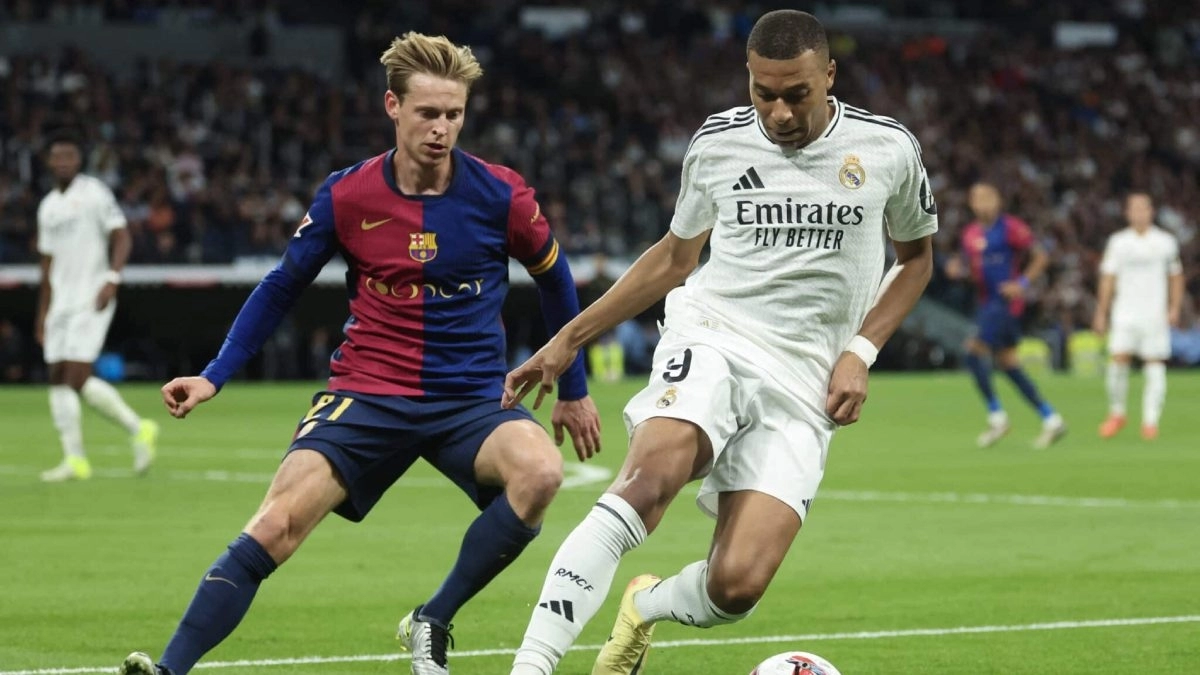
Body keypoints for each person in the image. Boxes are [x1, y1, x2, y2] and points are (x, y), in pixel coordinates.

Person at [119, 32, 601, 675]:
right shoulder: (348, 195)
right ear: (392, 107)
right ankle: (168, 669)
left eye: (454, 114)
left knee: (541, 473)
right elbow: (281, 286)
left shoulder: (501, 194)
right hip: (368, 391)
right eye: (427, 113)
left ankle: (432, 618)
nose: (441, 128)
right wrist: (215, 375)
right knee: (276, 525)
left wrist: (574, 389)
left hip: (471, 399)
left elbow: (557, 280)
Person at [503, 11, 937, 674]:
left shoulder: (887, 148)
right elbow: (675, 257)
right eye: (765, 93)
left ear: (829, 76)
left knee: (736, 586)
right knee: (647, 482)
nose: (779, 113)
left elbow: (916, 260)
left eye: (797, 94)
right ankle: (530, 666)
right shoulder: (719, 142)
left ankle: (644, 606)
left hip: (806, 381)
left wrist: (862, 350)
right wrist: (570, 338)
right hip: (714, 335)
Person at [35, 132, 159, 482]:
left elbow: (122, 236)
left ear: (79, 160)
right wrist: (42, 312)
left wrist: (112, 278)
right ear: (49, 162)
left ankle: (138, 428)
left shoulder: (94, 193)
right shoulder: (48, 206)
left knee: (75, 374)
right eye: (57, 156)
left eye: (69, 156)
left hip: (91, 295)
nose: (63, 162)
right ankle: (75, 459)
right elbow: (46, 264)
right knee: (57, 376)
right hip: (59, 301)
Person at [945, 182, 1066, 449]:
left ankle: (997, 417)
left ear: (998, 200)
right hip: (986, 303)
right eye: (978, 198)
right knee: (1009, 365)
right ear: (971, 203)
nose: (983, 203)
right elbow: (971, 268)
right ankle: (1051, 418)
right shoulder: (970, 234)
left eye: (988, 197)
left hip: (1005, 303)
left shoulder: (1011, 227)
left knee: (973, 352)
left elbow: (1041, 256)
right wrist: (958, 269)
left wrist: (1022, 283)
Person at [1092, 192, 1184, 440]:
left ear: (1151, 211)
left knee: (1154, 363)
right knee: (1118, 360)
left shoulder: (1165, 242)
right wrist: (1101, 312)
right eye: (1134, 208)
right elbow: (1108, 278)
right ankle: (1117, 413)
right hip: (1124, 312)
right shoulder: (1118, 242)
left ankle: (1150, 422)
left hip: (1154, 313)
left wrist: (1174, 307)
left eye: (1144, 208)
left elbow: (1175, 276)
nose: (1139, 213)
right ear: (1127, 213)